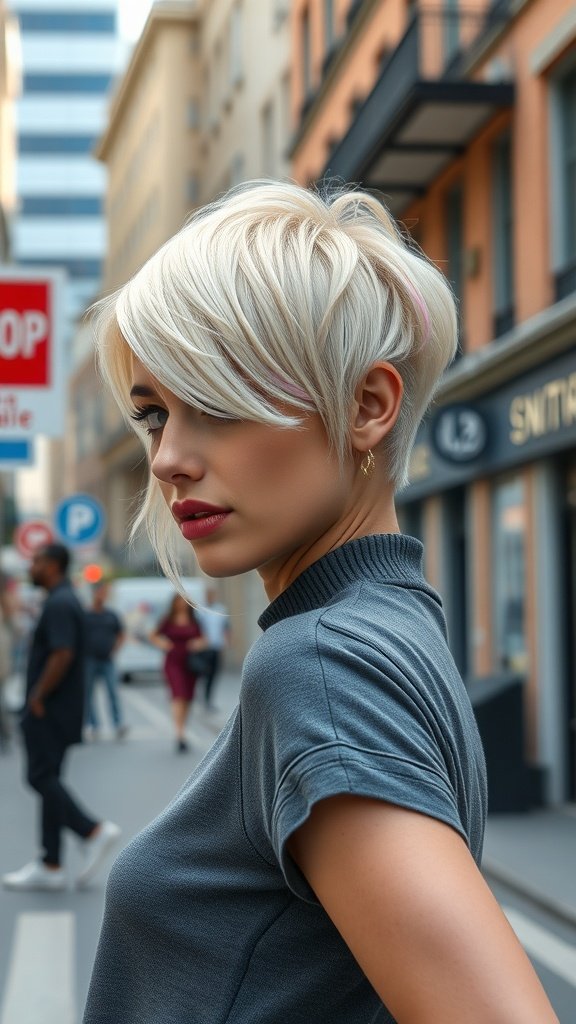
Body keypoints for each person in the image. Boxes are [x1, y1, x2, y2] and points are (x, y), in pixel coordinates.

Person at [83, 182, 558, 1023]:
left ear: (367, 407)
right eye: (156, 414)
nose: (168, 460)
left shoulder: (324, 659)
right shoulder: (392, 622)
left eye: (218, 401)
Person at [2, 544, 121, 892]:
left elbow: (63, 652)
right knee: (48, 778)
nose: (31, 567)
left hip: (49, 708)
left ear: (52, 566)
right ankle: (50, 863)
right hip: (59, 707)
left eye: (36, 561)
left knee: (39, 778)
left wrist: (37, 695)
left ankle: (92, 831)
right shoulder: (63, 599)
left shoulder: (59, 603)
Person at [149, 593, 206, 752]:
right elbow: (152, 635)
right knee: (178, 695)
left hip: (190, 663)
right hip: (173, 662)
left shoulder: (194, 620)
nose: (182, 604)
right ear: (174, 603)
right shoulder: (168, 619)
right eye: (179, 601)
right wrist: (164, 644)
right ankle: (179, 734)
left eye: (184, 601)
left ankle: (182, 728)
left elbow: (204, 639)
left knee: (187, 697)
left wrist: (197, 643)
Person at [84, 582, 128, 739]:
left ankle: (118, 724)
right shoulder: (86, 615)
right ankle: (92, 724)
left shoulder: (111, 615)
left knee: (112, 692)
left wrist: (115, 648)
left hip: (107, 659)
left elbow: (121, 633)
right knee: (88, 695)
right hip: (89, 659)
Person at [195, 585, 230, 710]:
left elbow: (226, 627)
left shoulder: (220, 610)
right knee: (203, 673)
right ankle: (201, 697)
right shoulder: (200, 610)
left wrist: (227, 641)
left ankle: (208, 699)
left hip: (216, 646)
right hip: (204, 648)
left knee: (213, 674)